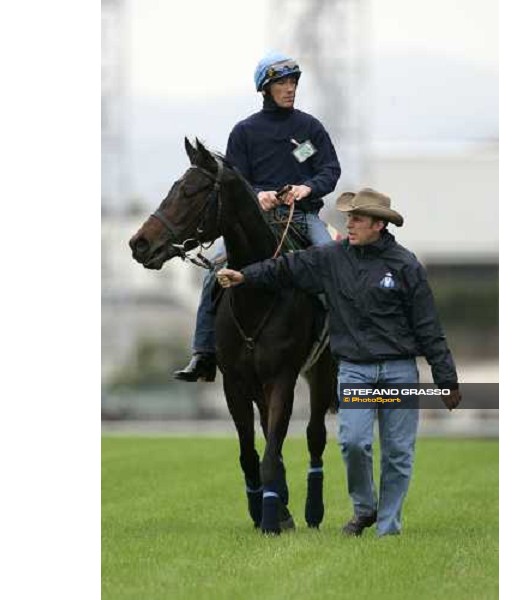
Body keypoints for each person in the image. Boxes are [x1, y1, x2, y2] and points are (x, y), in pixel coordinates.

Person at [216, 188, 462, 537]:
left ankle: (388, 528)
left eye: (357, 218)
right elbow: (286, 267)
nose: (349, 224)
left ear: (379, 225)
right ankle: (364, 508)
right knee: (353, 443)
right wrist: (246, 276)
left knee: (397, 453)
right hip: (356, 371)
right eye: (348, 217)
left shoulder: (405, 265)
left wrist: (446, 379)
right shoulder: (330, 258)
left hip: (398, 372)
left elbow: (428, 327)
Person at [174, 51, 341, 382]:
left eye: (293, 82)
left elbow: (330, 170)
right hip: (258, 220)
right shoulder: (245, 131)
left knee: (333, 266)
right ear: (265, 88)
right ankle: (203, 354)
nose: (290, 88)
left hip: (304, 217)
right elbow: (237, 181)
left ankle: (343, 351)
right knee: (213, 275)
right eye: (282, 83)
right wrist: (258, 195)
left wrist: (307, 188)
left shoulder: (310, 128)